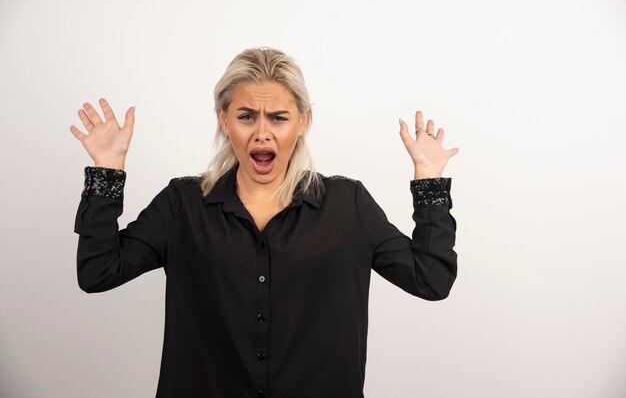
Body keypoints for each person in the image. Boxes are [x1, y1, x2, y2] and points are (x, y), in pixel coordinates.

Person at [69, 47, 460, 398]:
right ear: (224, 120)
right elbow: (98, 271)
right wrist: (107, 170)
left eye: (278, 117)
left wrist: (429, 180)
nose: (262, 133)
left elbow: (431, 278)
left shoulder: (348, 204)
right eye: (246, 116)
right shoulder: (183, 204)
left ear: (302, 121)